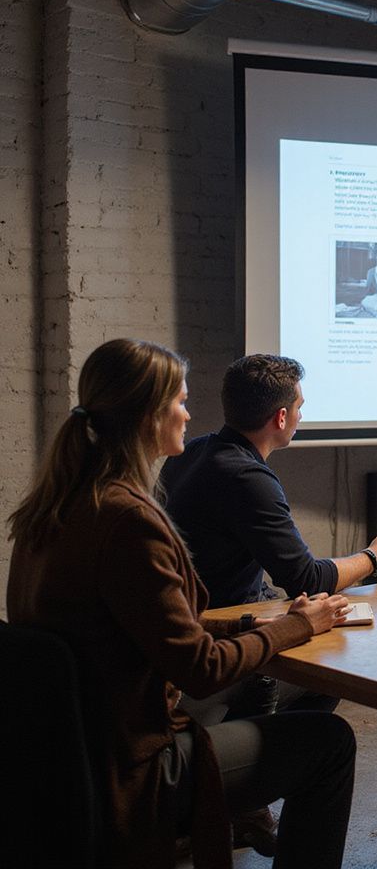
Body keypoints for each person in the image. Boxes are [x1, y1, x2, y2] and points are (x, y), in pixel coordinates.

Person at [6, 339, 356, 869]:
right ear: (150, 416)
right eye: (181, 401)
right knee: (329, 743)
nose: (189, 414)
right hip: (135, 769)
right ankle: (243, 813)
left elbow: (142, 626)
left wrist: (255, 622)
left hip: (63, 758)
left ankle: (247, 812)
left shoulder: (55, 507)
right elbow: (199, 670)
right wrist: (294, 628)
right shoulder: (128, 521)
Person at [162, 354, 377, 710]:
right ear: (281, 417)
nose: (301, 416)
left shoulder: (194, 450)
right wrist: (374, 558)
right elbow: (306, 578)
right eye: (299, 407)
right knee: (329, 668)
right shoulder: (247, 478)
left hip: (204, 623)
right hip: (223, 638)